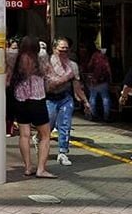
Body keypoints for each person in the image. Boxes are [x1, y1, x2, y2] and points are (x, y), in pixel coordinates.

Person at [7, 36, 57, 178]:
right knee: (45, 135)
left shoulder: (14, 57)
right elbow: (49, 75)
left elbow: (8, 56)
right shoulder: (41, 57)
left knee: (24, 134)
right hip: (37, 98)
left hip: (20, 99)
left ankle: (28, 167)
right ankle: (41, 169)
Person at [46, 37, 91, 166]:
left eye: (67, 49)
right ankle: (39, 138)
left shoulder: (73, 65)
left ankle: (62, 152)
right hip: (50, 98)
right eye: (61, 49)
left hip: (65, 98)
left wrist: (85, 101)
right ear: (54, 49)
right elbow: (49, 86)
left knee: (65, 125)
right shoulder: (47, 63)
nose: (64, 52)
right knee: (48, 126)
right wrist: (65, 77)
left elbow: (77, 86)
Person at [84, 44, 112, 122]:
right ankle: (106, 116)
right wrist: (110, 79)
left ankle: (93, 115)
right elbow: (108, 69)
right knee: (105, 98)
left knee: (92, 98)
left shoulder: (94, 56)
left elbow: (89, 66)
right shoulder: (105, 58)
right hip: (103, 81)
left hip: (94, 80)